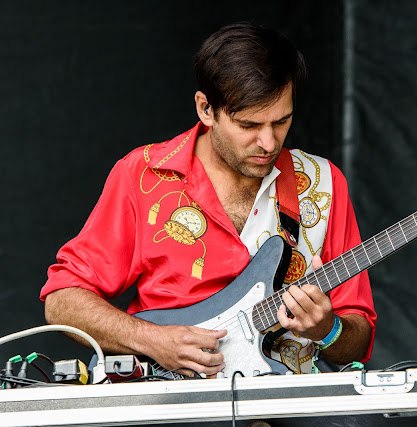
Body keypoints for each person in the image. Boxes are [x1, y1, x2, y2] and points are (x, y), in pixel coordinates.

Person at [40, 22, 376, 378]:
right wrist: (152, 340)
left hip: (288, 395)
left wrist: (327, 329)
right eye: (248, 125)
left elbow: (357, 338)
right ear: (205, 109)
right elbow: (63, 300)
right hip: (172, 396)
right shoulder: (143, 174)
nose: (268, 142)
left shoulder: (323, 183)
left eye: (282, 121)